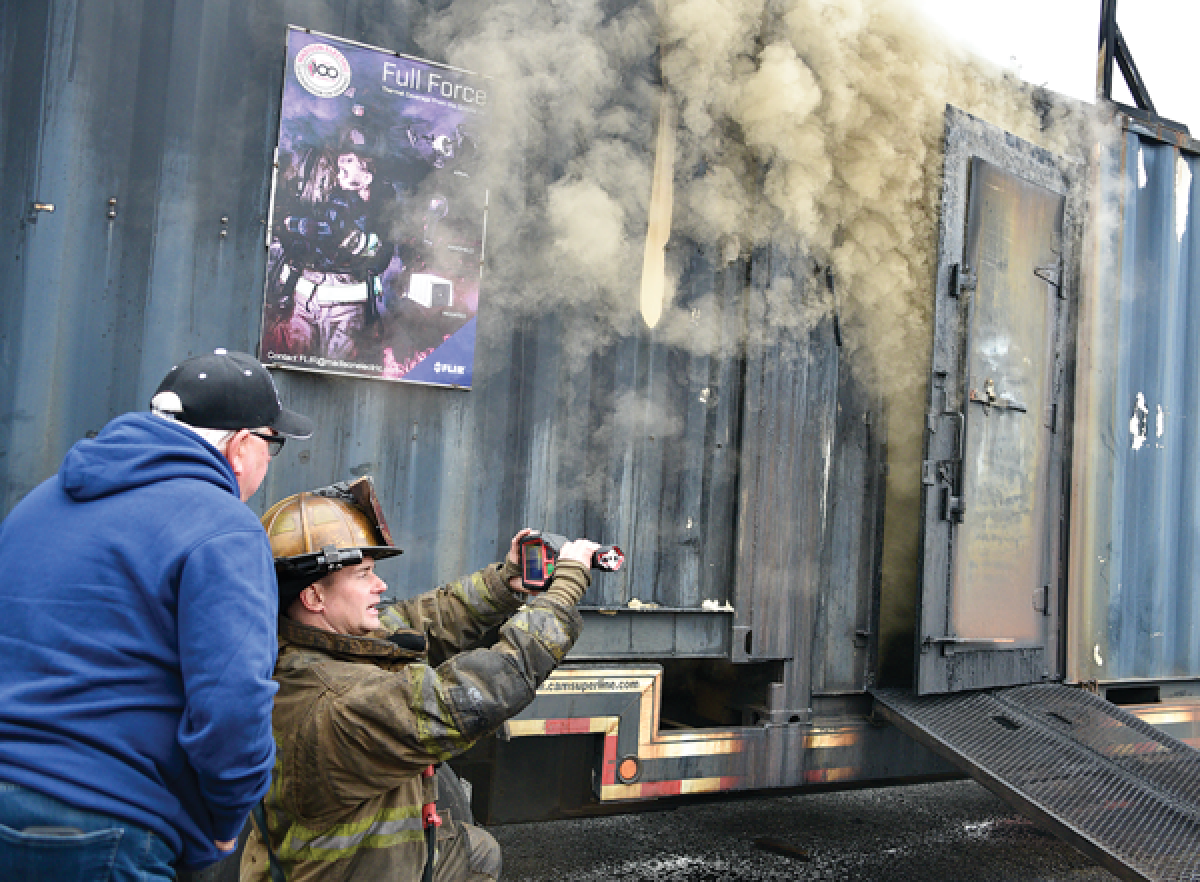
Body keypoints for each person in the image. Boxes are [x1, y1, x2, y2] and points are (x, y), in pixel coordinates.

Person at [0, 348, 314, 881]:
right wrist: (226, 818)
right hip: (110, 824)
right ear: (241, 445)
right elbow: (232, 706)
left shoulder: (39, 502)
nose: (268, 460)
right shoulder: (224, 528)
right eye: (273, 443)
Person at [241, 478, 599, 882]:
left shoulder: (305, 646)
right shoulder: (337, 701)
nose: (381, 585)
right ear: (313, 597)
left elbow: (421, 621)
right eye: (363, 574)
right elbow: (476, 694)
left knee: (476, 852)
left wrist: (504, 584)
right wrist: (566, 587)